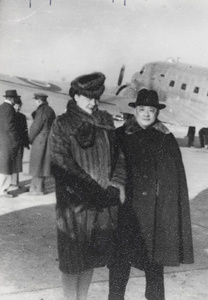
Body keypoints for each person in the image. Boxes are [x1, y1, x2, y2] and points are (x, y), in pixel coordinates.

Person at [109, 89, 194, 300]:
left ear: (157, 112)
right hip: (125, 211)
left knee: (154, 267)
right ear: (135, 111)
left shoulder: (165, 138)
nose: (146, 114)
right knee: (120, 265)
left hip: (154, 215)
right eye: (142, 109)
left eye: (151, 110)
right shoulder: (120, 135)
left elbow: (174, 180)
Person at [50, 72, 124, 300]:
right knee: (72, 261)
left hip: (102, 204)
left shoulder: (105, 120)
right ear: (75, 96)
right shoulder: (63, 123)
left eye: (96, 97)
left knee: (90, 258)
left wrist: (116, 183)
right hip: (74, 205)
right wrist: (92, 191)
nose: (93, 102)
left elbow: (118, 156)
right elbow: (61, 164)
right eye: (87, 97)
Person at [28, 93, 56, 195]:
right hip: (48, 140)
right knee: (43, 165)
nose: (35, 102)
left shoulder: (41, 111)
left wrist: (29, 139)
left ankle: (36, 189)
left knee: (37, 165)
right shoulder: (50, 110)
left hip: (40, 141)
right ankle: (38, 187)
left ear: (39, 101)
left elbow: (36, 127)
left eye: (36, 100)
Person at [0, 90, 21, 198]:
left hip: (1, 140)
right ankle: (3, 190)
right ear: (12, 99)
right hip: (8, 141)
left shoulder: (1, 107)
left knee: (2, 165)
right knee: (6, 166)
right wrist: (16, 139)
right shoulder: (10, 109)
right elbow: (10, 127)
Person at [11, 97, 30, 187]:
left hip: (19, 143)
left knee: (17, 162)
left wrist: (26, 143)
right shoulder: (9, 115)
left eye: (20, 106)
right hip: (11, 142)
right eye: (17, 106)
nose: (18, 108)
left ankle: (14, 182)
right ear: (13, 105)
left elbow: (25, 131)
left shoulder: (22, 116)